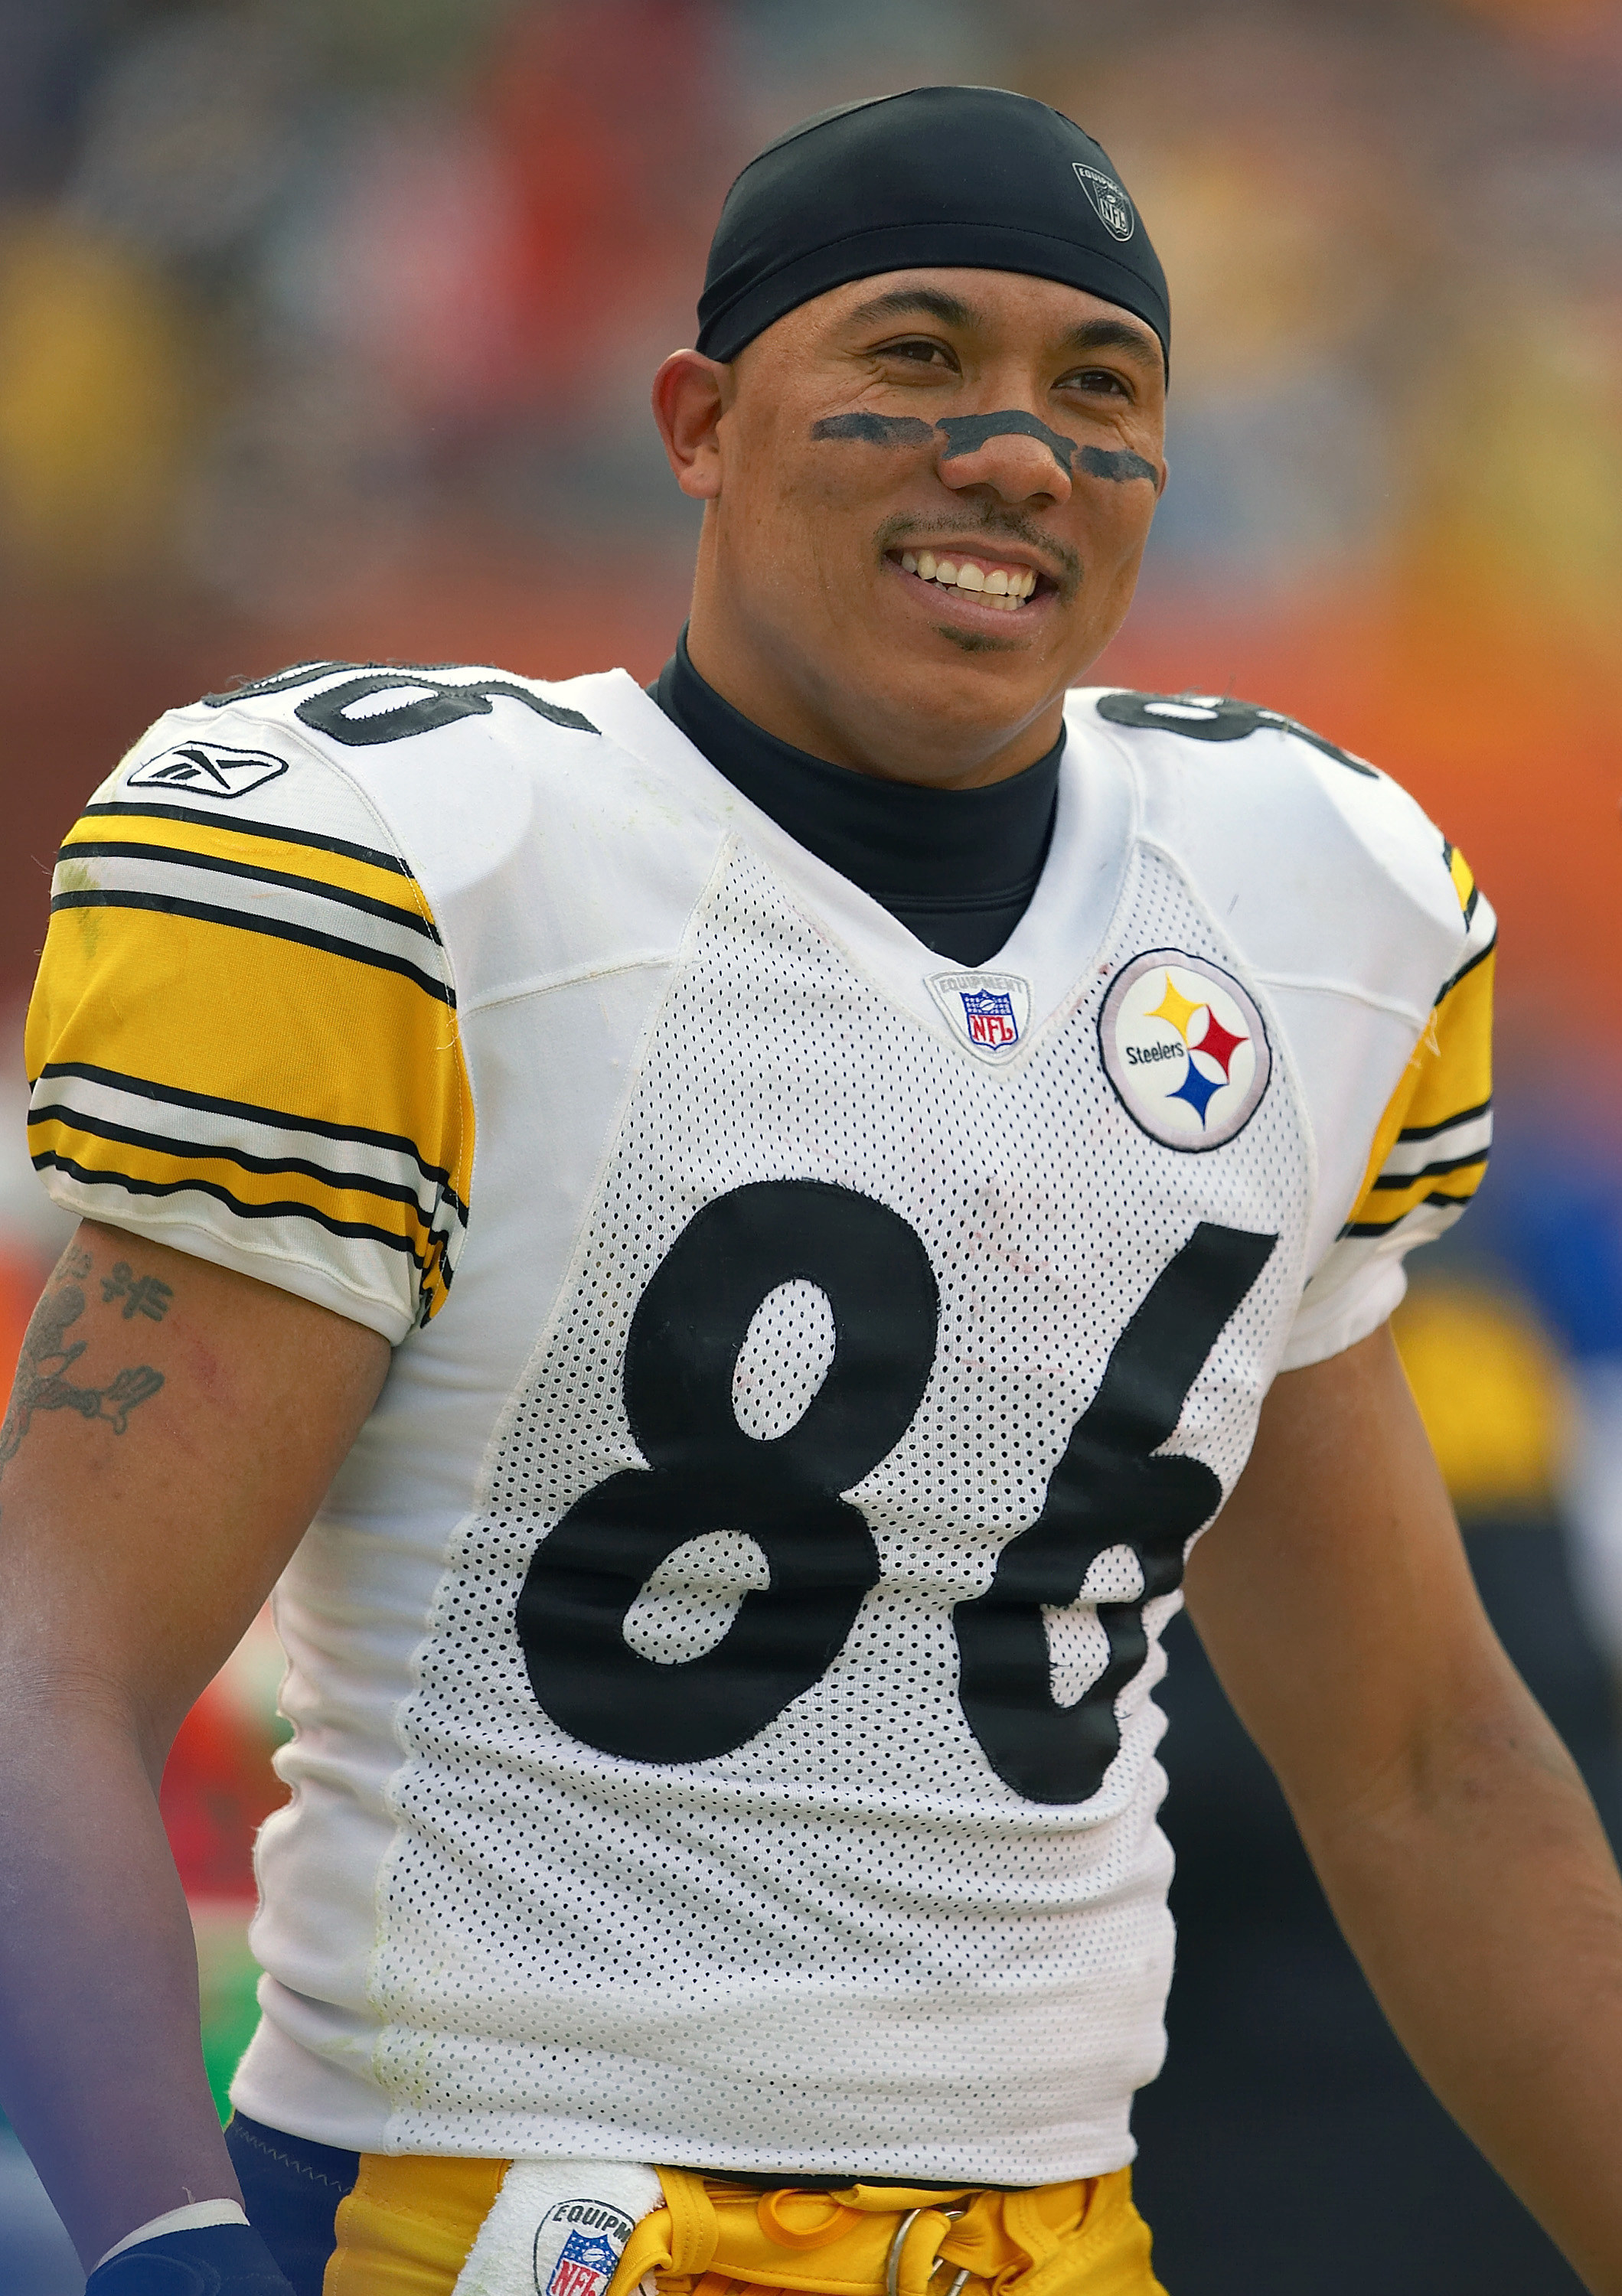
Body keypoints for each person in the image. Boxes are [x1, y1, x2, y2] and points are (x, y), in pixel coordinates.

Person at [2, 83, 1619, 2296]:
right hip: (477, 2222)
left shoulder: (1292, 904)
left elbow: (1424, 1757)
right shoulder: (427, 866)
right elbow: (47, 1664)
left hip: (1053, 2244)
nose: (1018, 449)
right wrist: (162, 2250)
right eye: (918, 360)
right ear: (698, 419)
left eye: (1098, 387)